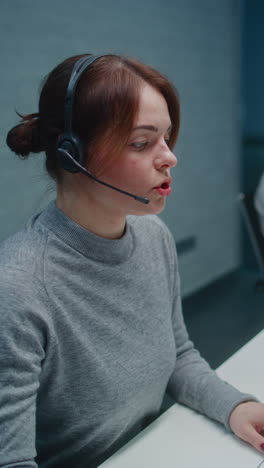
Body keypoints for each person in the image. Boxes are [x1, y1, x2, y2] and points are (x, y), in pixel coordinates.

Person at [1, 53, 264, 468]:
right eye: (142, 143)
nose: (169, 157)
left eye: (166, 138)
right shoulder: (17, 288)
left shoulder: (152, 236)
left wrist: (234, 407)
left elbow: (177, 355)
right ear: (73, 155)